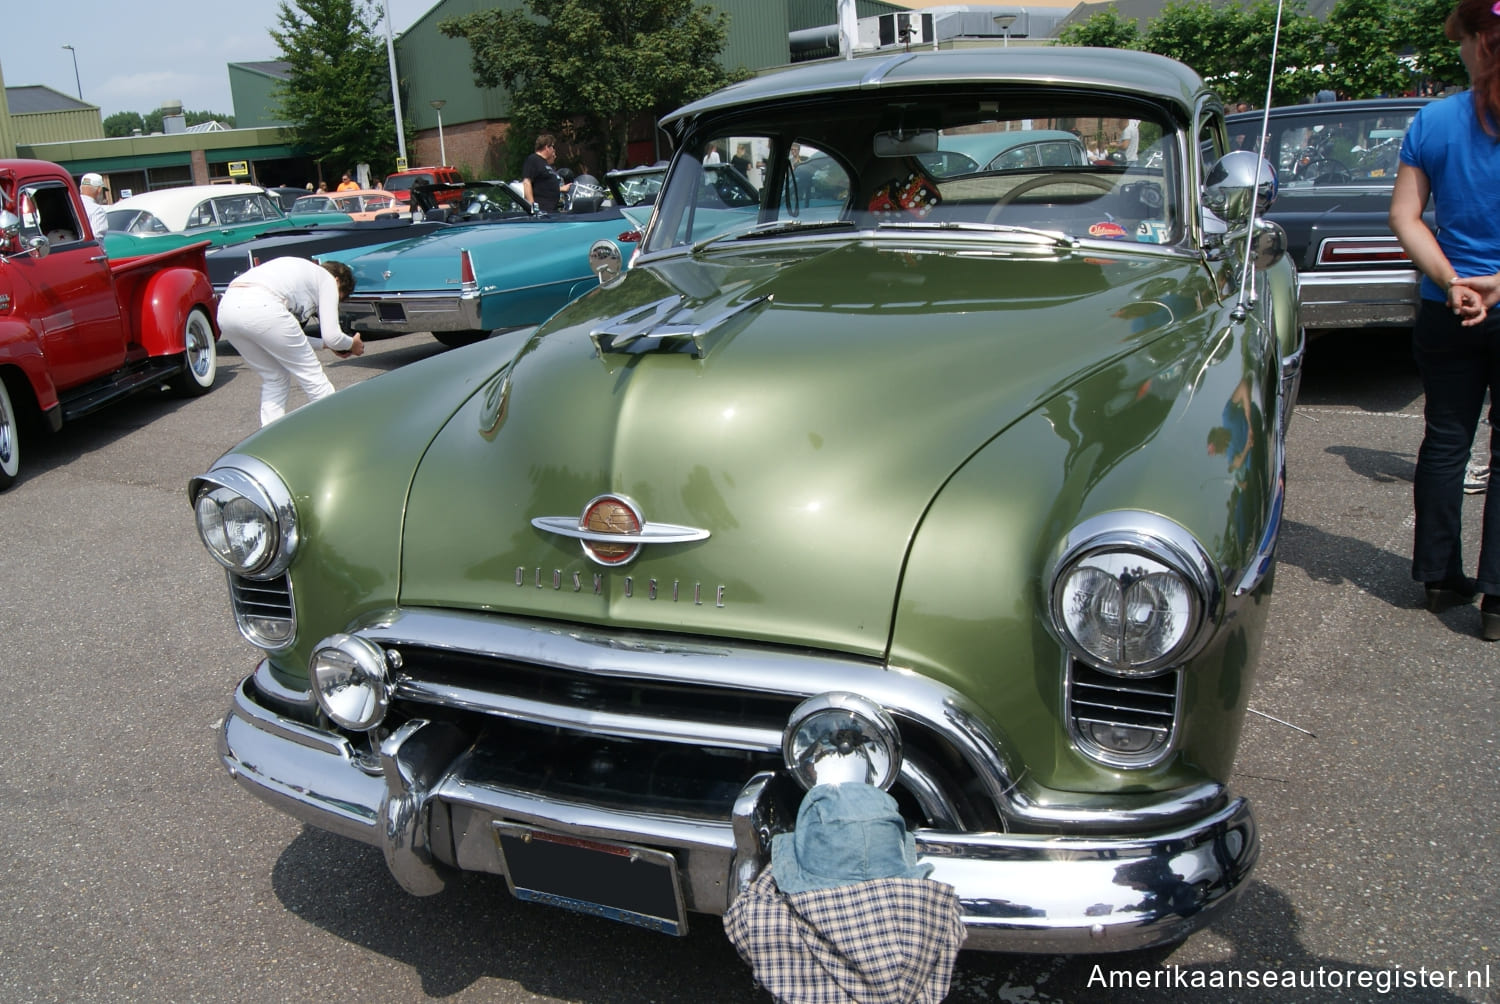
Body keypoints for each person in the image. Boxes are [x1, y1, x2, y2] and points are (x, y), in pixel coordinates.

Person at [1389, 0, 1500, 640]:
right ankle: (1497, 600)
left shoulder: (1434, 120)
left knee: (1447, 439)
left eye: (1460, 40)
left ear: (1483, 44)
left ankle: (1438, 575)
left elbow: (1406, 217)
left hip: (1446, 307)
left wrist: (1453, 281)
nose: (1456, 52)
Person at [217, 257, 365, 427]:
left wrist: (326, 344)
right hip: (263, 305)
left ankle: (269, 438)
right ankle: (339, 431)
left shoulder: (300, 274)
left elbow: (285, 335)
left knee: (274, 378)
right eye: (339, 297)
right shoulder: (328, 279)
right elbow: (332, 336)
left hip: (227, 310)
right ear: (338, 281)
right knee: (312, 376)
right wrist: (351, 344)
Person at [522, 133, 571, 212]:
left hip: (551, 211)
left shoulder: (545, 163)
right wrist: (532, 207)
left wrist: (561, 189)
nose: (553, 150)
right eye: (552, 147)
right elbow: (527, 182)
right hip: (541, 211)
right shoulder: (533, 159)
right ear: (547, 147)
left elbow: (544, 187)